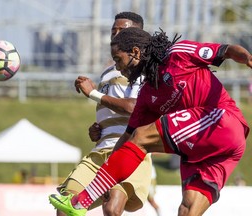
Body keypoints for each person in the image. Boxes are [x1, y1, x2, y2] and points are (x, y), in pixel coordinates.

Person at [49, 27, 252, 216]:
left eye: (118, 60)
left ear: (136, 52)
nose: (118, 69)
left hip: (222, 121)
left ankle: (80, 202)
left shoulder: (177, 53)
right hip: (210, 148)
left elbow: (226, 50)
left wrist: (247, 58)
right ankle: (82, 200)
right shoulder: (147, 95)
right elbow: (127, 140)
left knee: (143, 136)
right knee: (187, 209)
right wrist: (106, 173)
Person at [54, 12, 152, 216]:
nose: (115, 35)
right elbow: (113, 109)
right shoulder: (109, 72)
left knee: (112, 207)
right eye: (113, 31)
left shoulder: (144, 69)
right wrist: (100, 127)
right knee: (65, 207)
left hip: (131, 149)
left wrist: (93, 94)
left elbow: (134, 108)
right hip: (101, 151)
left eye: (121, 31)